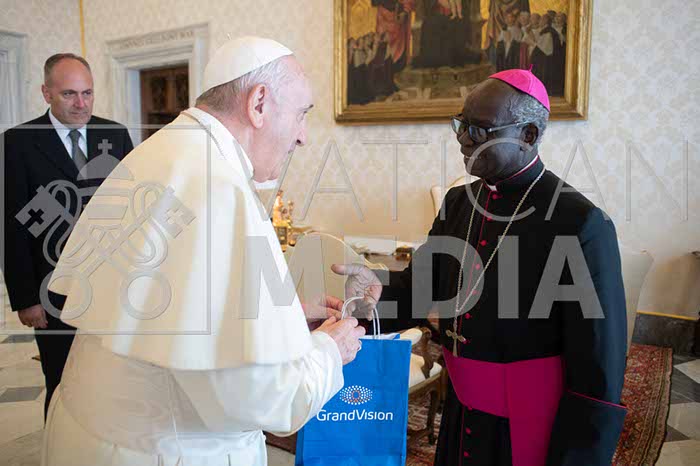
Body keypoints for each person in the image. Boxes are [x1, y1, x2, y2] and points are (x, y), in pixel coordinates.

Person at [40, 37, 365, 466]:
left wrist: (281, 318)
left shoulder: (162, 149)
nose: (303, 136)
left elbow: (178, 303)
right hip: (166, 452)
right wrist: (328, 350)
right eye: (302, 113)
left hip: (88, 429)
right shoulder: (222, 190)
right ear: (259, 103)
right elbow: (265, 400)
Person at [334, 69, 628, 465]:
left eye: (481, 130)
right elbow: (421, 289)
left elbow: (598, 369)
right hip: (462, 417)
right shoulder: (459, 203)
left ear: (528, 135)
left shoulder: (579, 223)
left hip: (532, 427)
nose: (463, 138)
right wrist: (377, 292)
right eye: (461, 124)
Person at [2, 53, 133, 418]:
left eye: (87, 93)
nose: (81, 104)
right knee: (61, 381)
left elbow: (131, 209)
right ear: (46, 93)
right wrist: (27, 298)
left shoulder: (115, 134)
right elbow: (10, 227)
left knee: (111, 378)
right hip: (53, 288)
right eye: (69, 94)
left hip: (111, 285)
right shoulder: (16, 143)